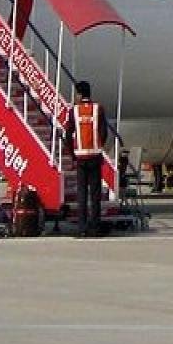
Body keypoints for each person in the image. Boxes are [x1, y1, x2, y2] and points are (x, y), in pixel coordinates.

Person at [65, 80, 109, 236]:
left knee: (82, 194)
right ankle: (95, 227)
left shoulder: (74, 111)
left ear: (79, 94)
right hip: (95, 157)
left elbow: (68, 134)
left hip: (81, 158)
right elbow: (104, 132)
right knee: (95, 194)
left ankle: (82, 228)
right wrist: (98, 146)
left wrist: (73, 153)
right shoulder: (98, 109)